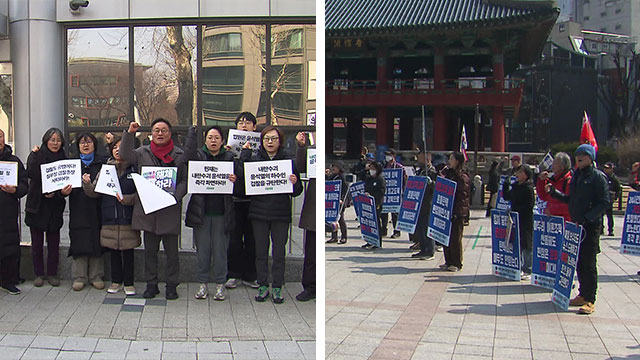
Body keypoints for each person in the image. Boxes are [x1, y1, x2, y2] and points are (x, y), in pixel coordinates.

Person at [120, 119, 188, 300]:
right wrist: (130, 133)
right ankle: (152, 285)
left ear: (170, 133)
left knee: (172, 253)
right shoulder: (142, 152)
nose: (160, 133)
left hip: (169, 209)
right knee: (150, 252)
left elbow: (184, 180)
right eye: (156, 130)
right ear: (151, 133)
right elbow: (124, 153)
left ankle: (172, 285)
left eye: (164, 130)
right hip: (149, 210)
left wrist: (175, 197)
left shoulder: (179, 154)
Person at [241, 125, 303, 304]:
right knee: (260, 252)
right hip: (259, 214)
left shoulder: (288, 162)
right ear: (262, 141)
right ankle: (262, 284)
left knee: (278, 253)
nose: (270, 142)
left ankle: (277, 286)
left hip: (280, 215)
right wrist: (244, 157)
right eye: (266, 138)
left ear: (280, 141)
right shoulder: (254, 161)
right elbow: (244, 186)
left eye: (273, 139)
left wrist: (294, 182)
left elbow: (296, 191)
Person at [546, 144, 608, 314]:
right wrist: (554, 193)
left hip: (590, 226)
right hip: (576, 226)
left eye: (584, 155)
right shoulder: (577, 176)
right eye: (578, 155)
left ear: (590, 158)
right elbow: (571, 200)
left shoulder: (597, 177)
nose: (579, 157)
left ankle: (590, 299)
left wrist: (589, 217)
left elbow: (605, 201)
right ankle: (582, 293)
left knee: (589, 263)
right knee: (579, 261)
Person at [184, 126, 239, 301]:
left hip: (223, 213)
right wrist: (191, 135)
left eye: (216, 137)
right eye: (210, 137)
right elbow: (187, 157)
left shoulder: (230, 158)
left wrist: (235, 180)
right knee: (203, 251)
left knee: (221, 250)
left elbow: (241, 185)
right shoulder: (199, 156)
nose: (213, 141)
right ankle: (202, 283)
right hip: (202, 213)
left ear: (222, 140)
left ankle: (220, 284)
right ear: (205, 140)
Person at [83, 136, 140, 296]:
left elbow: (141, 194)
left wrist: (127, 200)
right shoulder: (105, 169)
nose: (117, 150)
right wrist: (87, 183)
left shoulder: (134, 169)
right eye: (115, 147)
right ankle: (116, 281)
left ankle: (129, 283)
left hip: (128, 218)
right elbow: (94, 192)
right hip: (109, 217)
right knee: (114, 251)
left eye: (121, 147)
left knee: (128, 252)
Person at [25, 128, 71, 287]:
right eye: (52, 139)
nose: (55, 143)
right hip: (37, 206)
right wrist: (33, 155)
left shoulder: (64, 159)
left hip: (54, 208)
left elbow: (64, 184)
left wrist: (60, 194)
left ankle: (52, 273)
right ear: (46, 140)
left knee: (53, 243)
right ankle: (38, 274)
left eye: (58, 140)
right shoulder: (37, 155)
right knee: (36, 244)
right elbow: (31, 174)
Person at [67, 133, 105, 291]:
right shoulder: (72, 164)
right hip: (78, 207)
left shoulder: (101, 164)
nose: (86, 145)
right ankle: (79, 276)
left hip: (97, 207)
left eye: (89, 142)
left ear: (94, 145)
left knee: (96, 239)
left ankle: (96, 275)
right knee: (79, 238)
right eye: (82, 143)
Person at [226, 112, 259, 289]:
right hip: (235, 200)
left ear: (254, 127)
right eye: (240, 123)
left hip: (254, 202)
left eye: (248, 123)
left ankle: (251, 275)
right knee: (234, 240)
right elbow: (237, 171)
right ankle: (233, 274)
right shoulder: (229, 151)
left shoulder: (260, 150)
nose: (244, 125)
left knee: (253, 240)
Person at [0, 129, 28, 294]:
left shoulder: (14, 161)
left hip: (8, 212)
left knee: (9, 246)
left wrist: (15, 190)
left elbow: (25, 185)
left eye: (0, 136)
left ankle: (9, 280)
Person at [439, 152, 470, 272]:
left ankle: (457, 262)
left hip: (457, 211)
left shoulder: (462, 177)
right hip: (446, 209)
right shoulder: (448, 173)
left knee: (455, 237)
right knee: (445, 236)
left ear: (457, 161)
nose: (449, 160)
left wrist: (459, 212)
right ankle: (448, 261)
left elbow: (463, 198)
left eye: (451, 158)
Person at [502, 164, 535, 280]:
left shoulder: (528, 188)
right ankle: (519, 266)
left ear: (526, 175)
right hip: (515, 219)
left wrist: (517, 210)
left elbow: (529, 205)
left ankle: (528, 268)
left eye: (521, 172)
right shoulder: (515, 186)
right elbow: (507, 197)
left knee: (527, 243)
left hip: (525, 219)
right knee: (518, 242)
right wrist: (505, 185)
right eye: (517, 172)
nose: (518, 174)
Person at [295, 131, 316, 301]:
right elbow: (300, 167)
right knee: (311, 252)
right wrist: (302, 147)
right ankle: (309, 287)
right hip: (313, 209)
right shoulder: (313, 151)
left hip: (330, 205)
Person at [410, 149, 436, 260]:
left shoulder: (432, 171)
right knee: (420, 227)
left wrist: (431, 183)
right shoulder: (420, 171)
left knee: (426, 227)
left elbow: (437, 186)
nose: (418, 159)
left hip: (428, 203)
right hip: (419, 202)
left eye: (420, 157)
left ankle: (429, 250)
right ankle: (423, 248)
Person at [536, 152, 572, 222]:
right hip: (552, 220)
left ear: (562, 166)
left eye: (555, 163)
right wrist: (541, 181)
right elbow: (543, 196)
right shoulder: (553, 180)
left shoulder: (568, 181)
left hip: (564, 221)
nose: (552, 165)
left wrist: (551, 209)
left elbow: (569, 205)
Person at [381, 148, 405, 238]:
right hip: (385, 193)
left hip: (395, 193)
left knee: (395, 213)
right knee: (383, 213)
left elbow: (403, 179)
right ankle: (383, 229)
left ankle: (397, 231)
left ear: (393, 156)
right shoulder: (383, 166)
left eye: (389, 155)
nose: (387, 157)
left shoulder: (399, 167)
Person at [363, 161, 386, 249]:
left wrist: (372, 196)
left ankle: (377, 241)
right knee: (368, 222)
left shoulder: (380, 179)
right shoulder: (368, 179)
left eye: (373, 169)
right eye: (370, 168)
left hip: (376, 203)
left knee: (376, 222)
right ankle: (369, 240)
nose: (371, 170)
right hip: (367, 204)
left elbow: (381, 192)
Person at [326, 161, 347, 244]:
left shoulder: (342, 177)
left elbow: (345, 190)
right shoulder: (333, 176)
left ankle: (344, 236)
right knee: (332, 218)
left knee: (340, 219)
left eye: (335, 167)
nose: (333, 168)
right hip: (333, 200)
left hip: (340, 201)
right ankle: (334, 236)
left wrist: (342, 199)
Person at [602, 162, 621, 236]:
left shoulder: (614, 178)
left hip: (609, 200)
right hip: (602, 199)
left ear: (611, 169)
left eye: (607, 168)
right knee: (601, 215)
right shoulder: (602, 176)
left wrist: (615, 198)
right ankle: (601, 229)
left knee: (609, 216)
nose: (605, 169)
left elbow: (618, 189)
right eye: (605, 168)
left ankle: (610, 230)